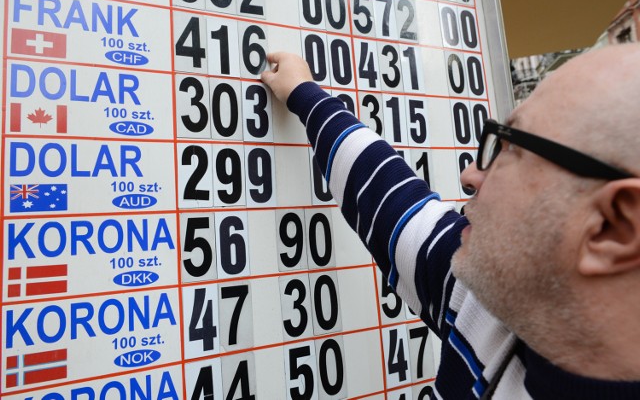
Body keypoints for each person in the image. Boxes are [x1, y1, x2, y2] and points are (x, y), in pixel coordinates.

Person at [260, 43, 640, 399]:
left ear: (613, 226)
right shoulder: (496, 306)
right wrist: (304, 93)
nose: (470, 174)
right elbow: (390, 202)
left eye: (510, 147)